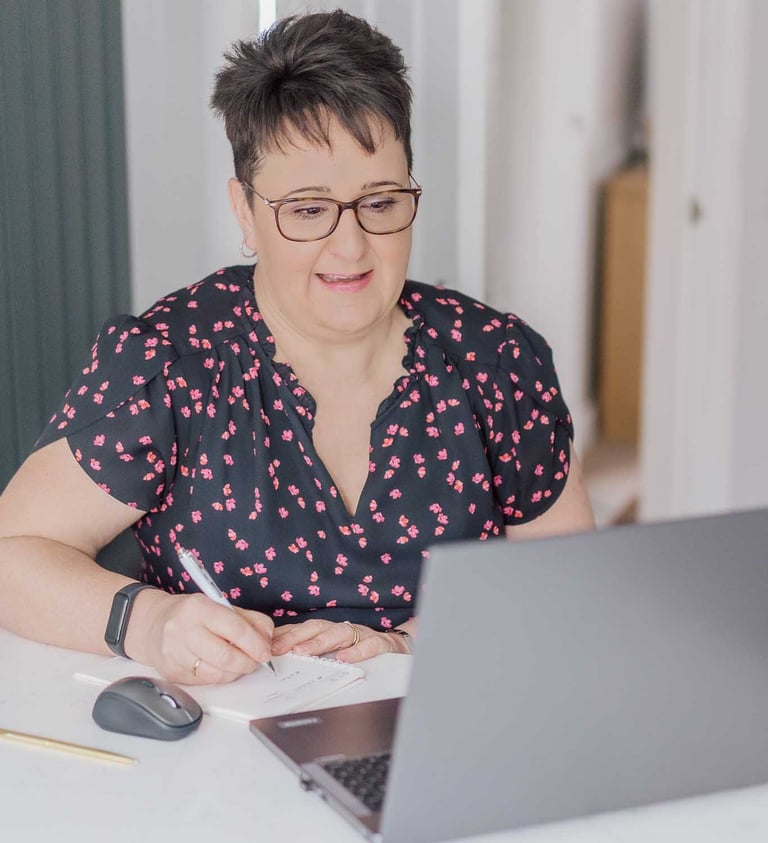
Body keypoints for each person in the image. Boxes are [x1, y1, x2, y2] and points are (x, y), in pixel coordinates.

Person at [0, 10, 594, 685]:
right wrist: (149, 622)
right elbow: (13, 553)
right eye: (308, 209)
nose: (350, 246)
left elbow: (563, 584)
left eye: (380, 201)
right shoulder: (172, 362)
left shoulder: (495, 362)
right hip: (217, 762)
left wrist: (404, 644)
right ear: (245, 212)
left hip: (449, 731)